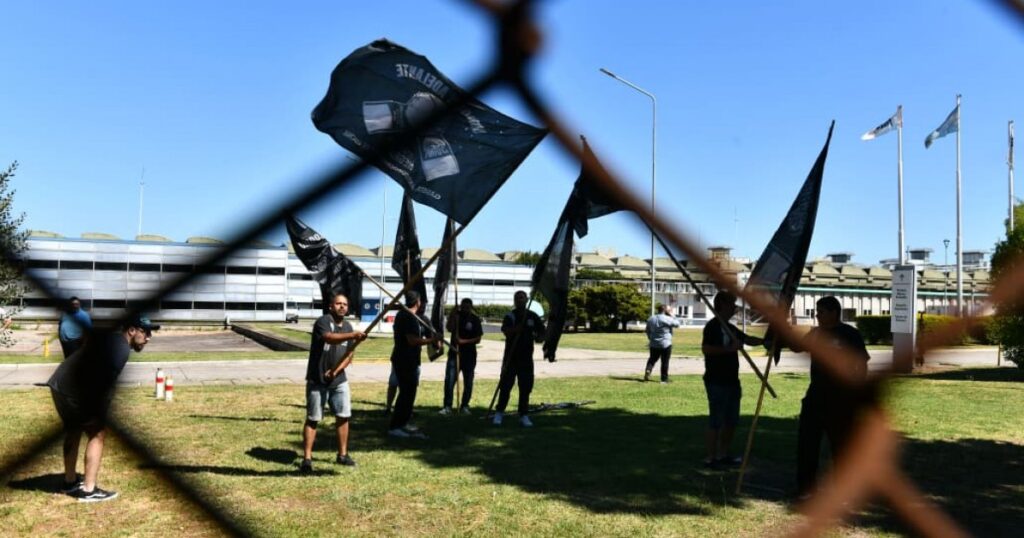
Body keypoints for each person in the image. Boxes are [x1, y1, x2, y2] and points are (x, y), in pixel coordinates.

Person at [47, 315, 159, 502]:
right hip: (74, 389)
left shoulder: (112, 339)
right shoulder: (121, 348)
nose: (148, 337)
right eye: (145, 332)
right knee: (97, 434)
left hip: (58, 384)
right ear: (131, 330)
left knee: (73, 430)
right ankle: (89, 491)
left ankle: (70, 481)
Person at [786, 296, 870, 496]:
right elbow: (797, 347)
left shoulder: (850, 334)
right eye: (817, 311)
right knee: (807, 444)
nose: (817, 315)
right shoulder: (815, 334)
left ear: (834, 313)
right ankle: (806, 488)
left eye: (821, 312)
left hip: (840, 399)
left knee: (841, 448)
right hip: (815, 397)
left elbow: (862, 363)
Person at [299, 294, 366, 473]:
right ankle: (307, 458)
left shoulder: (348, 326)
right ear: (331, 306)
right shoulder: (322, 322)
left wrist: (335, 371)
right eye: (338, 304)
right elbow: (329, 338)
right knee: (313, 418)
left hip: (339, 380)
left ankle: (342, 455)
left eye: (345, 304)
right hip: (317, 379)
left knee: (343, 416)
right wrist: (353, 335)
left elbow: (349, 355)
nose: (342, 307)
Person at [701, 291, 762, 467]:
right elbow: (707, 349)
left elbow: (747, 339)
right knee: (716, 420)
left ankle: (723, 454)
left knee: (731, 420)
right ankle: (711, 458)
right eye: (732, 303)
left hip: (732, 381)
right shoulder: (713, 326)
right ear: (722, 305)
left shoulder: (729, 326)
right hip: (716, 381)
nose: (735, 307)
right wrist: (729, 349)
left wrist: (766, 341)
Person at [388, 291, 438, 438]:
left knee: (409, 393)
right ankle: (395, 426)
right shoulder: (407, 316)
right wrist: (431, 340)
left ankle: (403, 422)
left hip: (411, 360)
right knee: (405, 393)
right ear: (418, 302)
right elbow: (412, 340)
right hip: (404, 360)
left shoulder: (413, 317)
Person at [493, 290, 545, 427]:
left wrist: (538, 337)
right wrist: (518, 328)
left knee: (525, 387)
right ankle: (499, 413)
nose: (520, 300)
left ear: (527, 299)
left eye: (522, 298)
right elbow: (506, 331)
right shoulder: (510, 315)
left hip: (526, 358)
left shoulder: (533, 316)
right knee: (505, 386)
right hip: (511, 357)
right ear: (514, 301)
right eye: (517, 298)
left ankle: (524, 415)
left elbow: (541, 334)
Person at [439, 298, 483, 415]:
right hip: (454, 354)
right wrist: (453, 313)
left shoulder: (474, 319)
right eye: (463, 307)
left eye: (467, 307)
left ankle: (464, 406)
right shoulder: (456, 316)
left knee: (468, 381)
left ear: (471, 307)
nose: (465, 309)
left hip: (469, 356)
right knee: (449, 380)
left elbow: (478, 339)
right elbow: (449, 328)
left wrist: (463, 341)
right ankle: (447, 406)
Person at [644, 303, 681, 383]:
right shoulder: (667, 318)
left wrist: (650, 338)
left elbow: (647, 330)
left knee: (652, 359)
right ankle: (664, 379)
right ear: (665, 310)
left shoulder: (651, 318)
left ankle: (648, 370)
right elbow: (677, 324)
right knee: (665, 361)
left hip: (654, 343)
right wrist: (672, 315)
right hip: (665, 343)